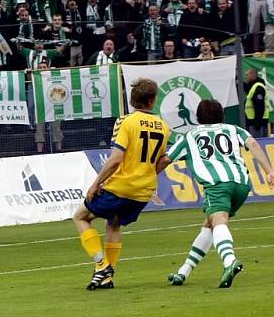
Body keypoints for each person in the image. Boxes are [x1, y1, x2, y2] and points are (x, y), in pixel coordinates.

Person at [157, 99, 274, 288]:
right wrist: (269, 170)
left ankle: (230, 262)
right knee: (209, 225)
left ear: (198, 117)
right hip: (242, 184)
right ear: (222, 115)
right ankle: (183, 272)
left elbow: (166, 160)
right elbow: (252, 142)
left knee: (218, 221)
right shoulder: (233, 129)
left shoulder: (190, 136)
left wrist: (145, 176)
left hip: (217, 185)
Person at [72, 78, 170, 290]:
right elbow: (163, 160)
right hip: (143, 191)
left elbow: (116, 159)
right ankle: (107, 279)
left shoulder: (127, 122)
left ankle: (101, 265)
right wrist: (146, 176)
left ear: (132, 100)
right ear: (152, 102)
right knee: (113, 223)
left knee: (80, 216)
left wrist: (95, 184)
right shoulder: (164, 127)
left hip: (122, 186)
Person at [244, 68, 270, 138]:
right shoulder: (255, 86)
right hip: (256, 122)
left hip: (257, 124)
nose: (245, 77)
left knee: (258, 145)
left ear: (253, 76)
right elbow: (247, 88)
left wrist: (257, 124)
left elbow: (260, 106)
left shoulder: (258, 87)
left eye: (247, 75)